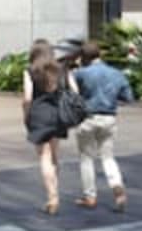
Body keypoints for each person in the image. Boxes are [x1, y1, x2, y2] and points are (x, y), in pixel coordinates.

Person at [73, 41, 133, 212]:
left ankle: (89, 196)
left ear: (83, 57)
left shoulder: (81, 73)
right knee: (108, 157)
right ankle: (117, 187)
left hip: (87, 119)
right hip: (109, 118)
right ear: (100, 55)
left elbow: (71, 93)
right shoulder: (116, 73)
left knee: (86, 158)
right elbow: (128, 97)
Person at [23, 40, 79, 215]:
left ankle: (52, 197)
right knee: (54, 156)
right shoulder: (62, 69)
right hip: (58, 115)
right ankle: (55, 192)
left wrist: (26, 115)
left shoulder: (30, 71)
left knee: (44, 157)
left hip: (39, 116)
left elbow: (27, 98)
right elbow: (75, 92)